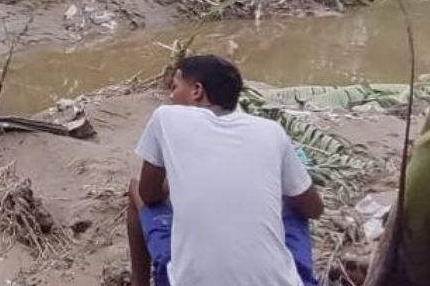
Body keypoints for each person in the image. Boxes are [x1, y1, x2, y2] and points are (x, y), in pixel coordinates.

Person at [128, 55, 323, 286]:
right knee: (293, 200)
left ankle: (138, 282)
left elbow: (150, 195)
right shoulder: (271, 131)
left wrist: (176, 182)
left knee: (135, 189)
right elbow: (314, 208)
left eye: (175, 87)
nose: (171, 96)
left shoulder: (166, 116)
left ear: (197, 91)